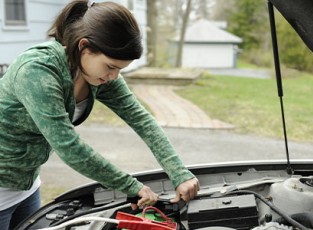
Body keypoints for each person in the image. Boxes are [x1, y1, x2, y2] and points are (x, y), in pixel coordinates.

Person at [0, 0, 200, 229]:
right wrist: (131, 186)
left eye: (120, 69)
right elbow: (69, 146)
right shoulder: (37, 71)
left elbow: (141, 120)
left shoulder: (98, 74)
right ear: (84, 46)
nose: (114, 76)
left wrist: (179, 173)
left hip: (26, 184)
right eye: (111, 66)